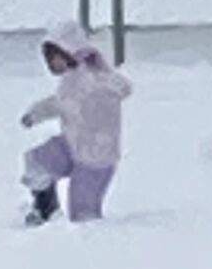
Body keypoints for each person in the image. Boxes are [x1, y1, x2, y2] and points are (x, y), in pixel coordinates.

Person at [21, 22, 131, 224]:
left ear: (69, 52)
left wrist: (103, 86)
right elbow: (60, 104)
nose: (51, 64)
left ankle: (89, 237)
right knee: (37, 162)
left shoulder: (96, 78)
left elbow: (120, 88)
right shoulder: (72, 79)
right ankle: (46, 208)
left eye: (54, 57)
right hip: (71, 144)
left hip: (96, 159)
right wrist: (35, 114)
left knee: (83, 214)